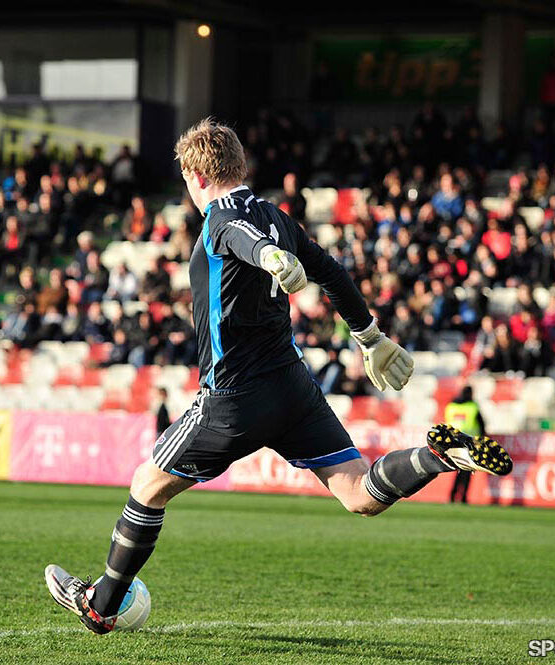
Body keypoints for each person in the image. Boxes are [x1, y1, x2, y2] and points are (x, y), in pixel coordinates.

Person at [44, 118, 513, 634]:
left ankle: (101, 604)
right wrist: (370, 338)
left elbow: (236, 236)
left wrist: (266, 256)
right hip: (294, 390)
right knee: (358, 493)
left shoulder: (221, 217)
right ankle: (436, 456)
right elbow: (331, 271)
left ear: (198, 175)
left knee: (146, 485)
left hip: (233, 398)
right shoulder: (277, 217)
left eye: (185, 179)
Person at [443, 386, 486, 504]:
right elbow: (482, 425)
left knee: (458, 470)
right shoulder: (472, 407)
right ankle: (463, 497)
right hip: (470, 443)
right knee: (467, 472)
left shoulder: (451, 406)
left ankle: (452, 495)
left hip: (454, 442)